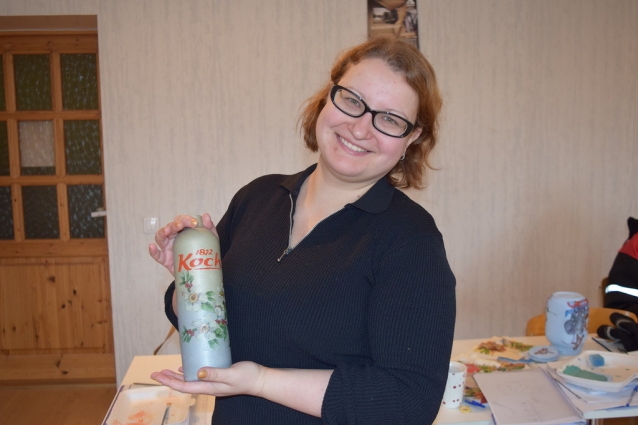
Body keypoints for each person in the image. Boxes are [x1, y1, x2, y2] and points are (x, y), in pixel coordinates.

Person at [149, 35, 456, 425]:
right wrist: (189, 279)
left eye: (390, 119)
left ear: (412, 137)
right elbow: (204, 323)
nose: (361, 128)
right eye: (352, 101)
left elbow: (409, 401)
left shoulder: (411, 241)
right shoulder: (257, 198)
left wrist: (261, 381)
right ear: (328, 96)